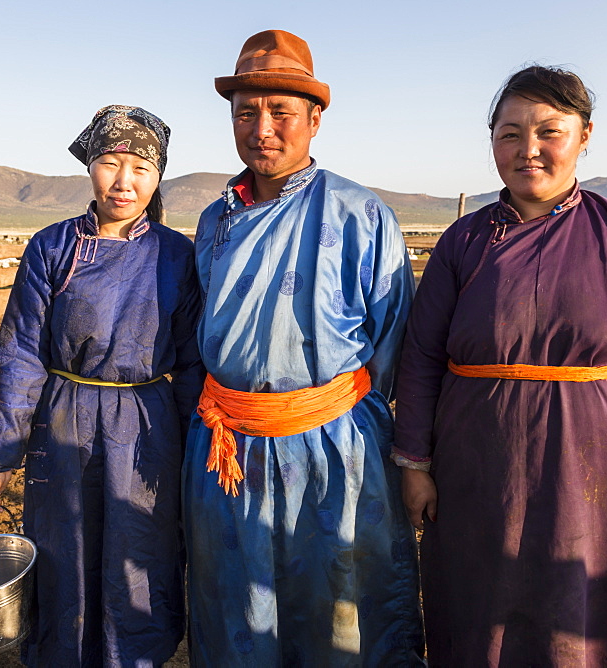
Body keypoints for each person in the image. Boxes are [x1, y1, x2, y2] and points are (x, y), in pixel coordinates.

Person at [393, 65, 607, 666]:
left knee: (589, 614)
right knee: (479, 610)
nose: (527, 150)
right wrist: (414, 465)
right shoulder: (461, 244)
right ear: (491, 143)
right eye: (509, 134)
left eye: (548, 131)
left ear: (585, 135)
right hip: (481, 474)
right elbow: (422, 360)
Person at [183, 30, 424, 665]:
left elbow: (393, 338)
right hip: (227, 448)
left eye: (280, 112)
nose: (261, 127)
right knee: (235, 600)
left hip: (334, 447)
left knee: (339, 605)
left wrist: (323, 410)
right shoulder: (213, 220)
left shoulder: (359, 212)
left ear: (314, 119)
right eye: (245, 111)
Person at [0, 105, 204, 666]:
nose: (124, 181)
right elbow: (21, 353)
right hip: (64, 418)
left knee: (140, 550)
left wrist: (203, 446)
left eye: (140, 168)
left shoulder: (177, 254)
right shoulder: (52, 248)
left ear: (158, 176)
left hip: (149, 426)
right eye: (109, 163)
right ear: (89, 167)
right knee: (63, 549)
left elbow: (192, 363)